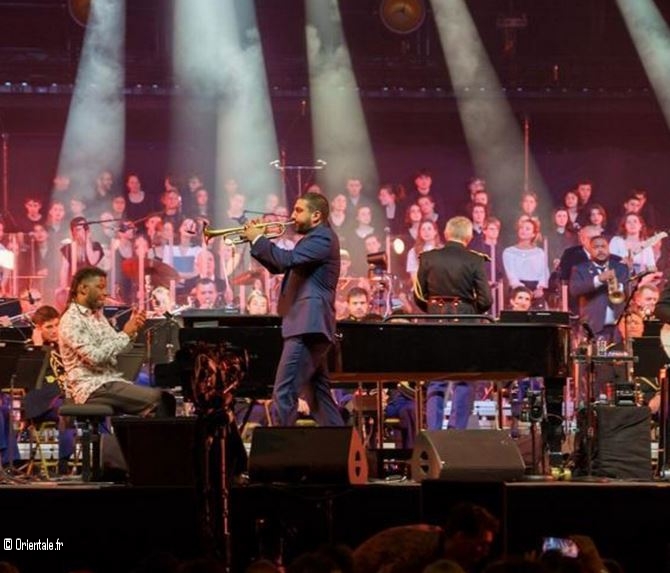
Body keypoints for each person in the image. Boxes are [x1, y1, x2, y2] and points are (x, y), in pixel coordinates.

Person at [243, 191, 344, 427]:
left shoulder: (323, 238)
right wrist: (255, 241)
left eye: (299, 210)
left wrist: (259, 239)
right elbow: (279, 266)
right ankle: (345, 452)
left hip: (307, 326)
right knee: (318, 397)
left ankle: (283, 457)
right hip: (307, 325)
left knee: (284, 393)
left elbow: (285, 261)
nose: (292, 215)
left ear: (316, 216)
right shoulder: (314, 240)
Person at [58, 266, 173, 416]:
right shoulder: (71, 320)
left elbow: (118, 349)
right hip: (92, 388)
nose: (105, 293)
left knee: (165, 399)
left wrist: (132, 331)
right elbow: (95, 357)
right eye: (100, 287)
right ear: (83, 288)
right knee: (161, 399)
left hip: (109, 382)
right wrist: (125, 333)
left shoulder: (96, 316)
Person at [414, 216, 493, 431]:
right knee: (464, 378)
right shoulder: (474, 259)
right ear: (468, 236)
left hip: (434, 322)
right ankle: (457, 431)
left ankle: (434, 432)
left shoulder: (428, 257)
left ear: (446, 233)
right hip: (465, 324)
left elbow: (419, 295)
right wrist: (467, 311)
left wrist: (433, 311)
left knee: (437, 377)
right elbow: (486, 300)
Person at [22, 305, 76, 473]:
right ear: (38, 329)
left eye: (56, 325)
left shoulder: (64, 347)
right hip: (40, 401)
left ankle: (104, 461)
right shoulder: (30, 349)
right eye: (49, 327)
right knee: (66, 410)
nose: (54, 330)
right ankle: (63, 465)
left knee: (101, 408)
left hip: (65, 397)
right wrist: (39, 348)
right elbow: (31, 380)